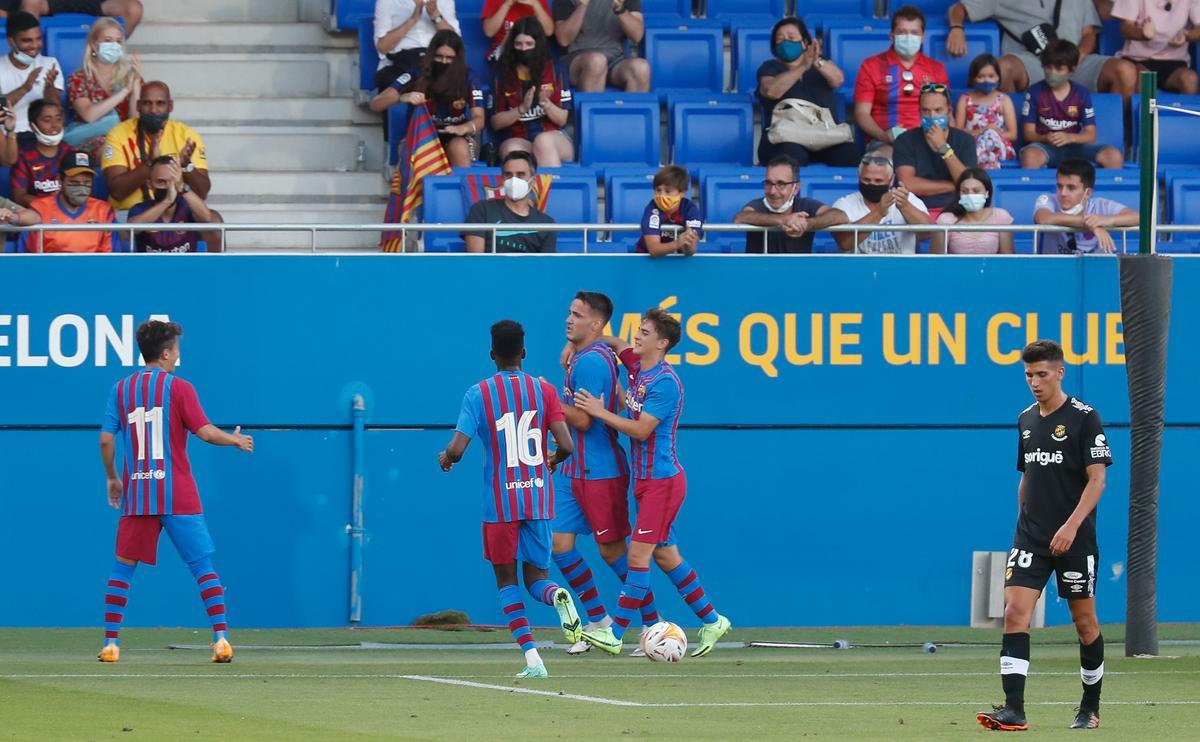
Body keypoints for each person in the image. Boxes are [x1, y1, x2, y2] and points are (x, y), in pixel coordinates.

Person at [575, 308, 732, 658]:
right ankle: (712, 620)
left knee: (638, 554)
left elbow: (642, 430)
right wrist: (579, 345)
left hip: (663, 481)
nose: (638, 336)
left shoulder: (665, 382)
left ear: (662, 343)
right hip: (645, 483)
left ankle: (615, 634)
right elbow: (614, 343)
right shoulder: (636, 365)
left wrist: (599, 411)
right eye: (640, 330)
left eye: (645, 333)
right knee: (666, 555)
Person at [97, 320, 254, 664]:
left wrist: (112, 478)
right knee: (202, 567)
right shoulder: (179, 388)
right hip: (177, 493)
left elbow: (106, 439)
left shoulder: (121, 390)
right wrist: (236, 440)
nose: (178, 357)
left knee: (123, 569)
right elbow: (206, 432)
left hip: (138, 495)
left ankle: (111, 644)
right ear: (165, 353)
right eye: (177, 351)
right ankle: (221, 639)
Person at [976, 340, 1111, 732]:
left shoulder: (1086, 418)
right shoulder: (1025, 419)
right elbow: (1027, 477)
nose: (1035, 382)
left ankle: (1090, 707)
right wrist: (1022, 524)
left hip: (1075, 539)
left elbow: (1098, 479)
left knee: (1084, 622)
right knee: (1015, 612)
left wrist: (1070, 526)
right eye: (1029, 375)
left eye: (1042, 374)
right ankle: (1013, 710)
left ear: (1060, 372)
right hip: (1031, 539)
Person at [437, 319, 582, 679]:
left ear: (491, 355)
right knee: (537, 580)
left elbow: (457, 450)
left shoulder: (477, 394)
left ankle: (533, 659)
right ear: (524, 353)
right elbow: (566, 445)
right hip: (538, 498)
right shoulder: (544, 391)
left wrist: (445, 459)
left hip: (500, 504)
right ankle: (556, 595)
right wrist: (551, 460)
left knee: (507, 583)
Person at [551, 292, 661, 655]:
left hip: (601, 471)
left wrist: (547, 399)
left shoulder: (594, 362)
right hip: (573, 471)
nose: (569, 319)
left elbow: (583, 419)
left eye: (577, 314)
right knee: (560, 547)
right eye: (569, 312)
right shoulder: (580, 356)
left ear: (595, 324)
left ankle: (653, 626)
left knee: (613, 552)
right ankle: (598, 622)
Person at [944, 0, 1139, 100]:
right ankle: (1015, 137)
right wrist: (956, 28)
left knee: (1125, 71)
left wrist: (1079, 56)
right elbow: (958, 8)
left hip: (1076, 60)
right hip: (1034, 62)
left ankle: (1118, 137)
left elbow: (1089, 33)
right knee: (1002, 68)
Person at [369, 30, 484, 168]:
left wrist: (462, 128)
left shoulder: (469, 77)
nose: (444, 62)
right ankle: (419, 189)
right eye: (439, 57)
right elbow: (376, 104)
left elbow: (479, 118)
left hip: (456, 134)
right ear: (431, 54)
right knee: (414, 149)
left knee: (459, 147)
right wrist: (402, 97)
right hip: (421, 134)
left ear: (458, 58)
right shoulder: (417, 72)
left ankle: (462, 188)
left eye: (449, 58)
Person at [756, 16, 858, 167]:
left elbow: (838, 80)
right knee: (791, 157)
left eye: (791, 37)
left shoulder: (821, 65)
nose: (785, 42)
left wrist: (815, 60)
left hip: (825, 136)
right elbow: (772, 91)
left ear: (804, 43)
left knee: (850, 154)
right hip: (785, 139)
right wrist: (802, 66)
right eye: (780, 39)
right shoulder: (769, 68)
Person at [102, 81, 210, 213]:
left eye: (160, 103)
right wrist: (150, 162)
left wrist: (187, 166)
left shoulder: (187, 135)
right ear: (138, 106)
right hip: (130, 215)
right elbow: (117, 192)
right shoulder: (118, 134)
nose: (153, 110)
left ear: (170, 106)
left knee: (213, 221)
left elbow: (202, 193)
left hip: (175, 215)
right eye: (147, 103)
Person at [1019, 41, 1124, 170]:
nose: (1052, 73)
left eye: (1059, 69)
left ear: (1072, 70)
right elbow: (1028, 133)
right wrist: (1045, 138)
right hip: (1046, 147)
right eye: (1048, 67)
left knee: (1113, 156)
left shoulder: (1081, 93)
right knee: (1029, 155)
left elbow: (1091, 135)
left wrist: (1070, 138)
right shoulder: (1034, 92)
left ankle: (1105, 191)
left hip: (1076, 147)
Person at [854, 5, 950, 145]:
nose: (909, 37)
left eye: (914, 33)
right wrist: (884, 136)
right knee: (884, 166)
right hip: (884, 142)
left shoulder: (936, 68)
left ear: (923, 37)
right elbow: (861, 113)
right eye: (902, 32)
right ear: (891, 36)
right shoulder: (871, 66)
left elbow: (945, 113)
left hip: (929, 141)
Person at [490, 17, 573, 167]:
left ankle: (551, 190)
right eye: (518, 44)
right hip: (518, 138)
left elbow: (562, 120)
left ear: (538, 44)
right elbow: (496, 123)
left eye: (529, 44)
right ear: (512, 45)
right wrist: (521, 109)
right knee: (512, 150)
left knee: (543, 142)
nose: (523, 49)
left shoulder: (555, 71)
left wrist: (545, 104)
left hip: (554, 137)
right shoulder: (502, 74)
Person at [894, 82, 980, 216]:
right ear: (919, 111)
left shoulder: (965, 140)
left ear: (949, 111)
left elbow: (968, 183)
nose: (932, 117)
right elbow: (908, 184)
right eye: (926, 111)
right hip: (916, 210)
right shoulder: (904, 140)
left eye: (938, 110)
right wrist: (953, 185)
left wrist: (943, 147)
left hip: (957, 210)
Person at [734, 154, 848, 254]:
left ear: (796, 188)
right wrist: (784, 220)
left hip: (798, 272)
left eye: (781, 184)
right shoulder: (757, 205)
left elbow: (840, 216)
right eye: (768, 183)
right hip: (760, 272)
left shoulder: (806, 205)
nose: (772, 191)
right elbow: (741, 217)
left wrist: (807, 224)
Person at [66, 17, 142, 158]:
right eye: (108, 40)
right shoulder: (78, 79)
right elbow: (89, 115)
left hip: (124, 138)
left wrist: (135, 85)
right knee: (113, 150)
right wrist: (124, 91)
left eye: (118, 41)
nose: (114, 45)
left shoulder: (128, 76)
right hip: (91, 140)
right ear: (94, 45)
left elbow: (135, 120)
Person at [1034, 158, 1138, 254]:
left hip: (1094, 270)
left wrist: (1106, 220)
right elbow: (1043, 218)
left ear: (1087, 193)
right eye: (1060, 186)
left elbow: (1139, 217)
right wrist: (1090, 224)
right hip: (1054, 270)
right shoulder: (1048, 199)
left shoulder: (1100, 205)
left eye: (1071, 188)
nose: (1063, 193)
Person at [833, 154, 932, 254]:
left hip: (901, 266)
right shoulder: (844, 204)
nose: (872, 184)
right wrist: (879, 212)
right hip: (860, 267)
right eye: (866, 180)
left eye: (878, 181)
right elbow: (844, 243)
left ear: (891, 180)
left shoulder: (907, 199)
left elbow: (928, 233)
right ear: (859, 177)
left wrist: (905, 207)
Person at [462, 150, 556, 252]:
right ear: (502, 179)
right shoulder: (482, 210)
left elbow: (546, 265)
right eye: (508, 175)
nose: (513, 180)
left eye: (520, 175)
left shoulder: (546, 223)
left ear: (533, 181)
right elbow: (476, 260)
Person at [127, 155, 223, 253]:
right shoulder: (141, 209)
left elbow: (207, 218)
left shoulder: (188, 207)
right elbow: (131, 229)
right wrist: (167, 201)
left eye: (173, 181)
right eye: (161, 182)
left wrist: (181, 186)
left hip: (185, 267)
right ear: (150, 184)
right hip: (150, 267)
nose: (169, 187)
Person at [27, 149, 116, 252]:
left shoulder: (103, 211)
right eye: (74, 182)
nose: (82, 188)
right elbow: (30, 258)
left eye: (87, 182)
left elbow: (110, 258)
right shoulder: (40, 209)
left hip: (93, 267)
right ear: (60, 180)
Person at [553, 0, 650, 93]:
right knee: (597, 62)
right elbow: (563, 40)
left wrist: (621, 11)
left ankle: (630, 110)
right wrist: (582, 7)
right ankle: (592, 109)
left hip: (615, 61)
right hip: (577, 60)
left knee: (641, 68)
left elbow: (637, 36)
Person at [1111, 0, 1200, 94]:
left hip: (1175, 62)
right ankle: (1142, 109)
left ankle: (1186, 109)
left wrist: (1186, 35)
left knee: (1190, 79)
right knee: (1145, 80)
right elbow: (1125, 28)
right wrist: (1143, 34)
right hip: (1138, 59)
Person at [373, 0, 460, 92]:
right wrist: (412, 20)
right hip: (401, 62)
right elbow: (383, 47)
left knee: (456, 80)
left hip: (436, 59)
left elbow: (454, 43)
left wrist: (435, 15)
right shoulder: (387, 1)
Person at [0, 11, 62, 133]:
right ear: (11, 41)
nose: (35, 46)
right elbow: (1, 112)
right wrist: (25, 88)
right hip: (9, 136)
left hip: (42, 135)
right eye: (27, 40)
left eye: (38, 39)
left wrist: (49, 89)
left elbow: (56, 110)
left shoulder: (50, 64)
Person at [954, 53, 1018, 168]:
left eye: (991, 76)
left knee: (990, 135)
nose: (986, 80)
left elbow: (1013, 134)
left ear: (998, 77)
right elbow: (958, 133)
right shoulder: (965, 99)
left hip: (999, 149)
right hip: (973, 147)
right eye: (981, 76)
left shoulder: (1003, 99)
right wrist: (983, 131)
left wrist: (992, 134)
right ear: (973, 78)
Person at [932, 167, 1015, 254]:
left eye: (976, 191)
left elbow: (1008, 260)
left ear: (987, 193)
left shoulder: (1001, 217)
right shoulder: (945, 220)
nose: (970, 195)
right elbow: (935, 261)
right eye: (964, 191)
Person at [11, 97, 69, 207]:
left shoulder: (72, 153)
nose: (54, 125)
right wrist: (50, 206)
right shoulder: (24, 157)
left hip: (70, 217)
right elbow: (19, 197)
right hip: (37, 216)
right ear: (32, 126)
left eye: (58, 119)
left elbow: (84, 193)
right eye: (47, 120)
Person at [637, 164, 702, 256]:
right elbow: (654, 249)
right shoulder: (652, 209)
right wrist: (678, 243)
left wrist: (688, 241)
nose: (662, 195)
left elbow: (690, 251)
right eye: (658, 190)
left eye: (668, 191)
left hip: (678, 261)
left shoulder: (690, 209)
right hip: (646, 260)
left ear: (682, 192)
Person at [20, 0, 144, 37]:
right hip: (53, 2)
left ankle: (112, 55)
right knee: (31, 2)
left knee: (134, 9)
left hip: (96, 2)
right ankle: (33, 58)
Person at [482, 0, 553, 62]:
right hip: (505, 50)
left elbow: (549, 32)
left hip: (531, 50)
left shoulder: (538, 1)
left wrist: (535, 4)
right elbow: (489, 32)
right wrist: (507, 4)